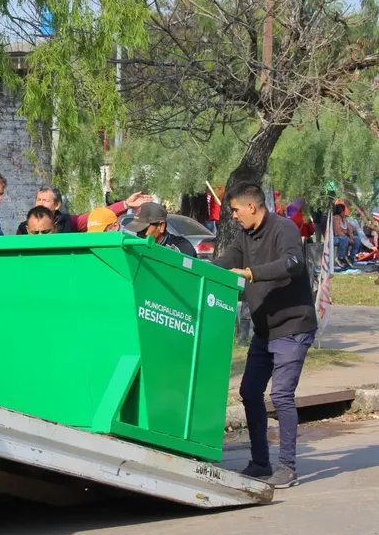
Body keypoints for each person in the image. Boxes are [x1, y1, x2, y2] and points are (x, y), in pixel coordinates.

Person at [214, 181, 317, 488]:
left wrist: (251, 273)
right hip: (264, 331)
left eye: (235, 210)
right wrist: (195, 272)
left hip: (293, 325)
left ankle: (287, 467)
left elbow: (293, 264)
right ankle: (260, 462)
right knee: (249, 392)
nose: (234, 216)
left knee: (281, 394)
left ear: (252, 207)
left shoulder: (283, 228)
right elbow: (226, 261)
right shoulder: (244, 236)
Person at [38, 189, 154, 233]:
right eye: (38, 199)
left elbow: (98, 216)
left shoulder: (68, 222)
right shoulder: (24, 227)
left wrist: (126, 204)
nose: (40, 203)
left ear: (57, 205)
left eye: (45, 200)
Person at [124, 203, 197, 257]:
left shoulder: (181, 248)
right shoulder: (137, 247)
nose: (139, 235)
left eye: (143, 230)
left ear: (161, 226)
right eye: (137, 230)